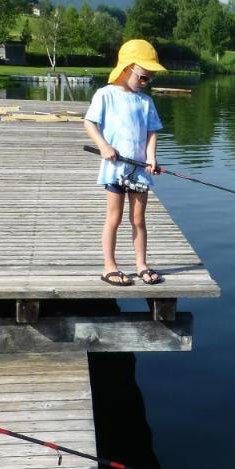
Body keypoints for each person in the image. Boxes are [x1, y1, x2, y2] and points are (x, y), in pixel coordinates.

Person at [82, 39, 167, 286]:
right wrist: (104, 146)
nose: (145, 82)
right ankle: (110, 266)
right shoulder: (105, 95)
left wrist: (151, 158)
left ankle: (141, 264)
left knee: (139, 220)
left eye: (149, 79)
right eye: (142, 77)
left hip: (139, 172)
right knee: (114, 218)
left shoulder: (146, 102)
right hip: (115, 169)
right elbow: (90, 123)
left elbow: (152, 132)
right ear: (126, 69)